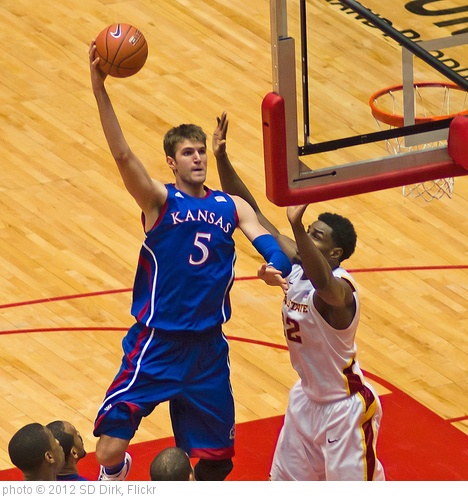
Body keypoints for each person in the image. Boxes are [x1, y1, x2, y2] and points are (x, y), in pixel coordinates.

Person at [88, 43, 291, 482]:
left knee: (218, 459)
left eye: (201, 151)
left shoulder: (231, 205)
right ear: (171, 161)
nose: (197, 157)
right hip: (157, 342)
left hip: (207, 349)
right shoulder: (158, 200)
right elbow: (123, 156)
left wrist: (276, 266)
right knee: (107, 451)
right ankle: (115, 478)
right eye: (187, 152)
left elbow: (269, 242)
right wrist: (100, 88)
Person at [213, 112, 385, 481]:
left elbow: (324, 286)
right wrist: (222, 158)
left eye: (315, 236)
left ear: (335, 253)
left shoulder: (341, 289)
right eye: (307, 230)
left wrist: (295, 225)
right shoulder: (295, 267)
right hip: (306, 401)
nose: (305, 237)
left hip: (345, 408)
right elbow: (250, 212)